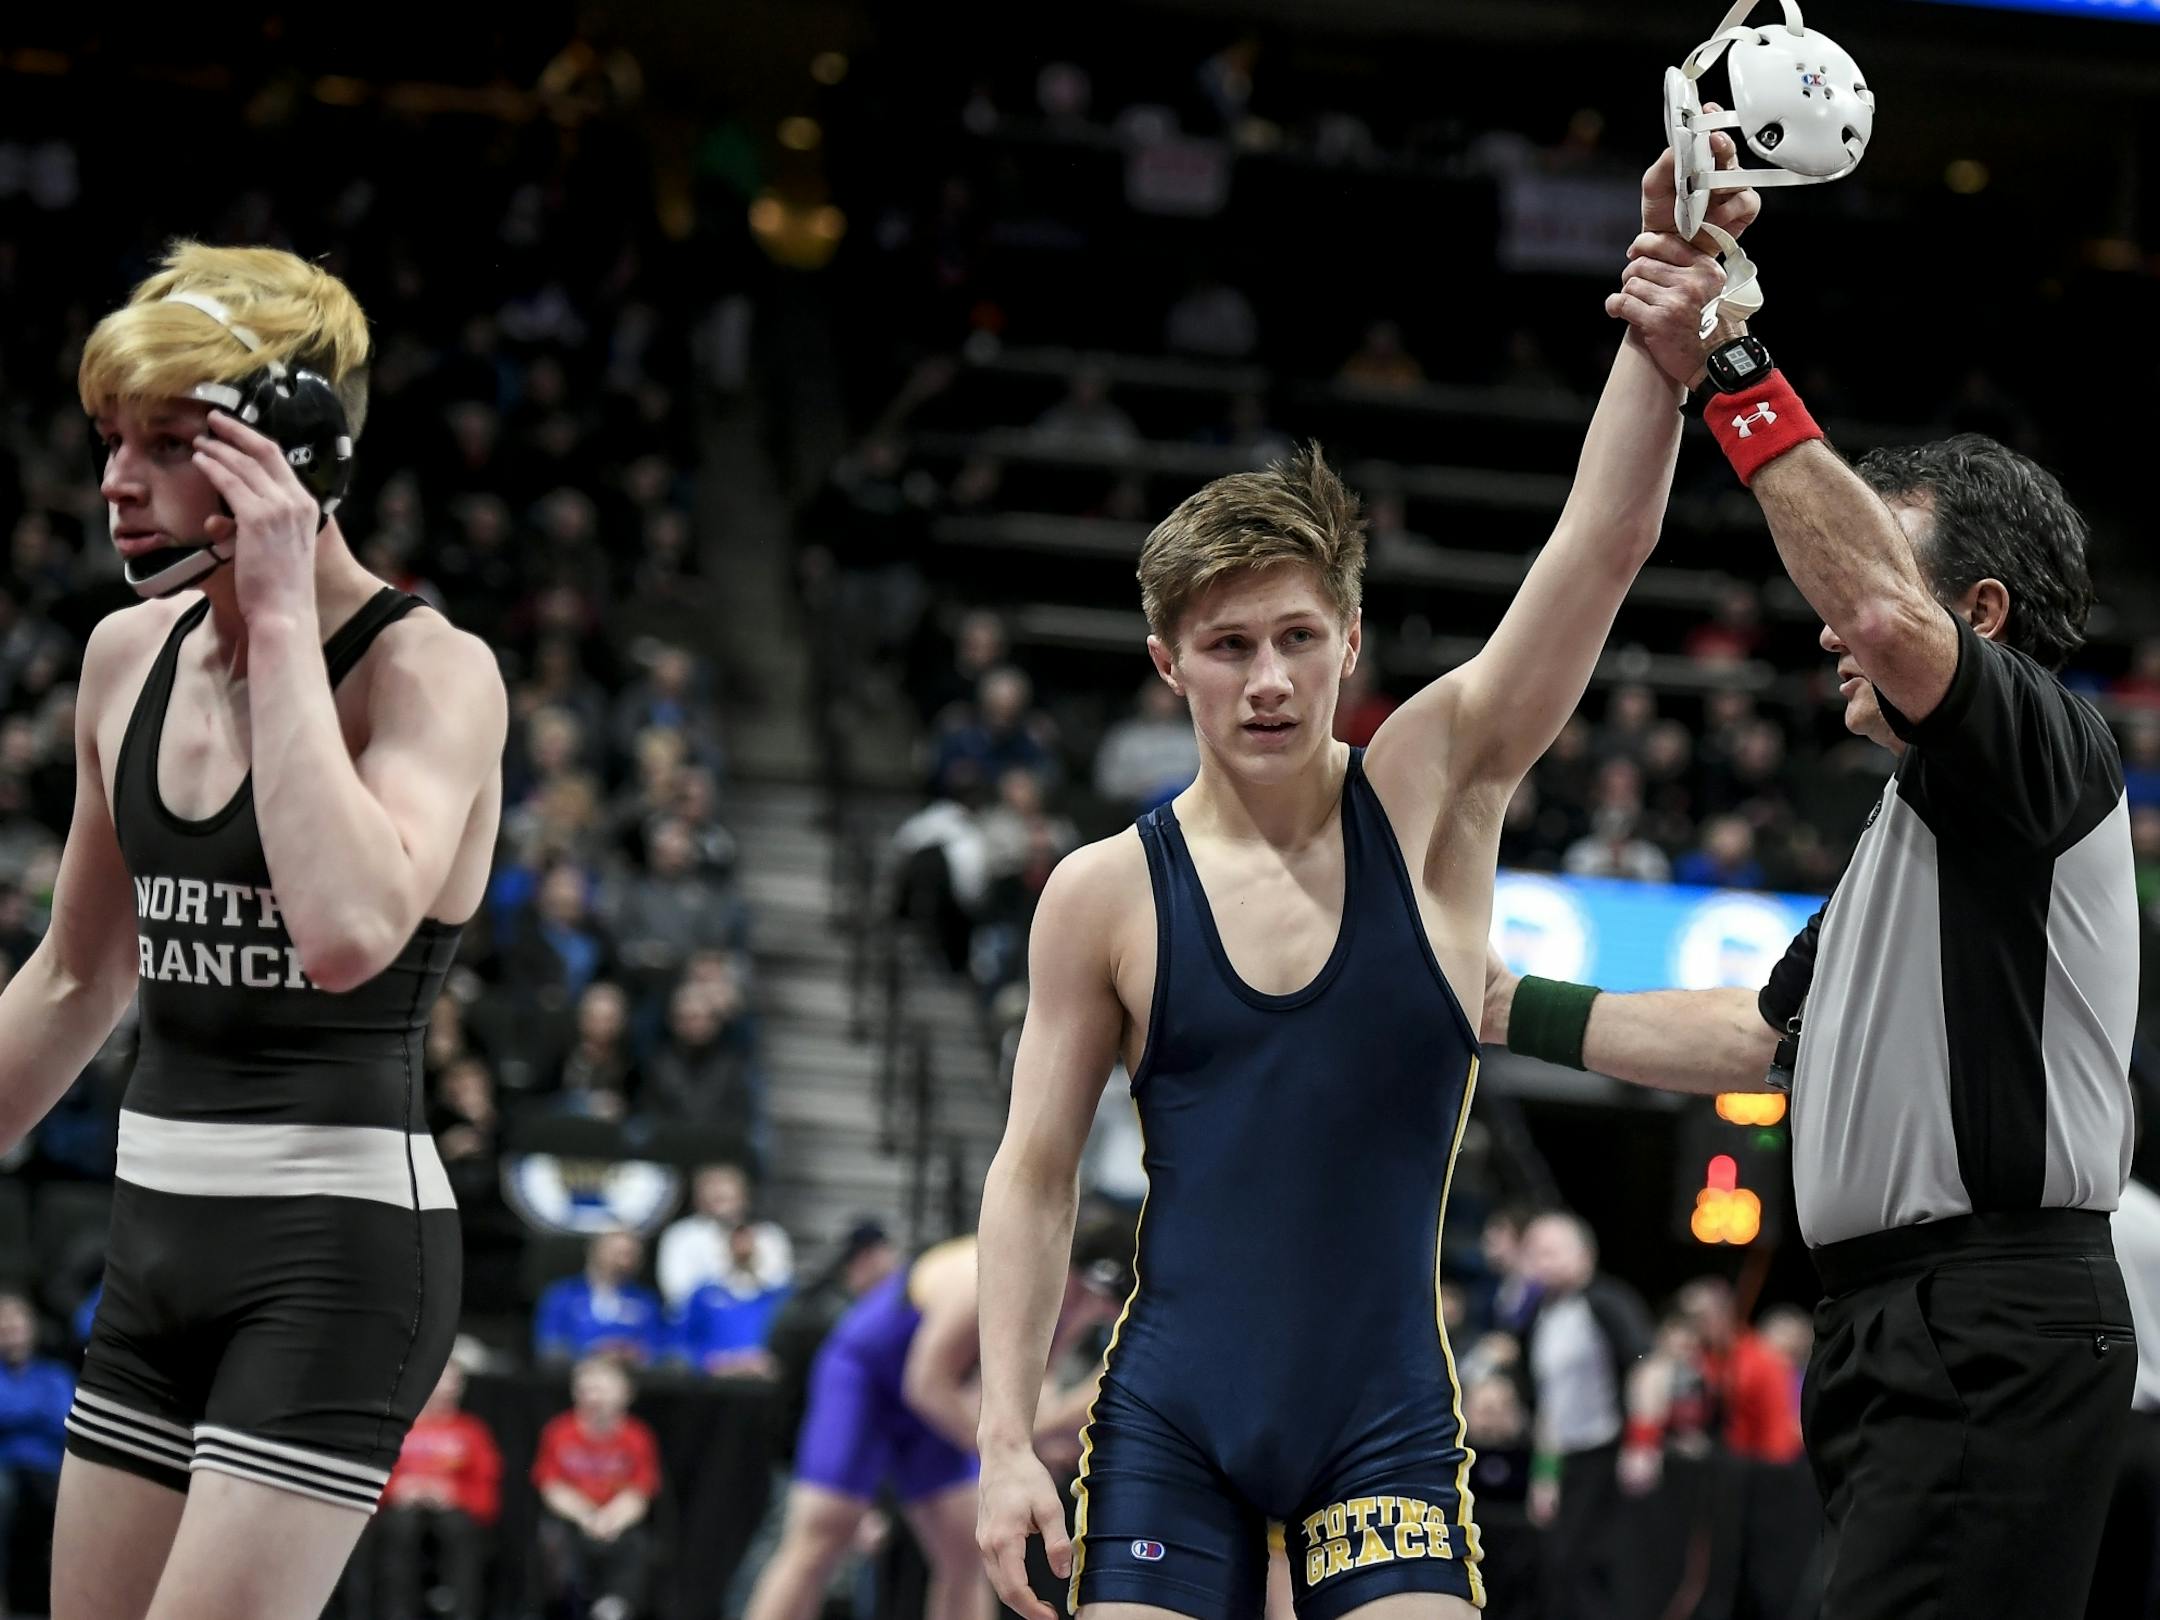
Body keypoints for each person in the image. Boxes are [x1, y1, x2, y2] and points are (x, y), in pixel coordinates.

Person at [974, 140, 1757, 1620]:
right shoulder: (1102, 891)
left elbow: (1605, 548)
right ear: (1166, 668)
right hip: (1169, 1422)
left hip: (1381, 1416)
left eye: (1296, 639)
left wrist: (1666, 334)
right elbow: (1032, 1170)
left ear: (1350, 636)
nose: (1268, 682)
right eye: (1226, 647)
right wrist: (1005, 1438)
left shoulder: (1436, 789)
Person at [1483, 211, 2140, 1618]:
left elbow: (1893, 626)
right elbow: (1749, 1031)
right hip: (1909, 1323)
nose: (1827, 623)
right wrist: (1498, 1005)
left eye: (1863, 584)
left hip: (1993, 1313)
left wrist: (1728, 352)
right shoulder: (1917, 829)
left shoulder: (2048, 748)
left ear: (1980, 609)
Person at [9, 243, 505, 1620]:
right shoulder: (127, 658)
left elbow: (347, 931)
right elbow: (73, 977)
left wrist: (283, 611)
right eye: (112, 439)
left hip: (335, 1260)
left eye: (168, 445)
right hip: (154, 1244)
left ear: (292, 454)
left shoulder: (431, 673)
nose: (116, 482)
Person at [744, 1216, 1137, 1620]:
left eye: (1103, 1307)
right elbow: (925, 1383)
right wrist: (1003, 1447)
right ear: (1069, 1270)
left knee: (965, 1553)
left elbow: (1032, 1386)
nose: (1088, 1312)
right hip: (867, 1380)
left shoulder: (1075, 1298)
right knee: (822, 1535)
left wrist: (1038, 1436)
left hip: (938, 1395)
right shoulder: (987, 1274)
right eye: (1089, 1297)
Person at [1518, 1213, 1651, 1620]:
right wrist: (1545, 1474)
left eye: (1553, 1251)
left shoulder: (1606, 1301)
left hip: (1607, 1455)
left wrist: (1641, 1444)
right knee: (1557, 1567)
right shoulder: (1540, 1314)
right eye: (1536, 1252)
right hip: (1566, 1458)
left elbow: (1647, 1368)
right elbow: (1548, 1404)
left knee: (1597, 1570)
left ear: (1584, 1254)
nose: (1544, 1261)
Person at [371, 1358, 501, 1620]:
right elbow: (372, 1478)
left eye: (452, 1381)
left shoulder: (472, 1431)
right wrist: (398, 1489)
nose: (445, 1388)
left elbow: (488, 1493)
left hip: (454, 1516)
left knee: (456, 1528)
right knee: (400, 1526)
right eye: (439, 1379)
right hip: (399, 1514)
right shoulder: (396, 1427)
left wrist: (453, 1494)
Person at [532, 1357, 661, 1620]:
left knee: (637, 1545)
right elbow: (552, 1487)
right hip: (573, 1520)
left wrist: (611, 1520)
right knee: (555, 1539)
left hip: (616, 1523)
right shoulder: (559, 1431)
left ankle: (615, 1606)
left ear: (625, 1394)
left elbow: (639, 1493)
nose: (593, 1397)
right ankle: (568, 1606)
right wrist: (587, 1517)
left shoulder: (637, 1437)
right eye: (586, 1389)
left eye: (601, 1389)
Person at [0, 1291, 72, 1611]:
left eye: (16, 1327)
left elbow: (66, 1422)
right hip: (5, 1471)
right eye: (3, 1329)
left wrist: (14, 1414)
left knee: (72, 1506)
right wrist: (37, 1412)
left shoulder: (55, 1374)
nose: (11, 1335)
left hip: (48, 1471)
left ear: (32, 1329)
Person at [656, 1161, 794, 1310]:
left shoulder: (769, 1235)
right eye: (711, 1188)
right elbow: (677, 1293)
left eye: (726, 1192)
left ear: (744, 1195)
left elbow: (780, 1283)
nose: (718, 1193)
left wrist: (749, 1264)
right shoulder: (681, 1235)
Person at [535, 1231, 667, 1367]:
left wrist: (630, 1354)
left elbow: (657, 1349)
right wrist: (593, 1353)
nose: (623, 1260)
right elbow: (550, 1345)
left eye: (631, 1254)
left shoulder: (646, 1301)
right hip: (571, 1377)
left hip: (634, 1378)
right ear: (594, 1250)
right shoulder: (562, 1294)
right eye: (616, 1252)